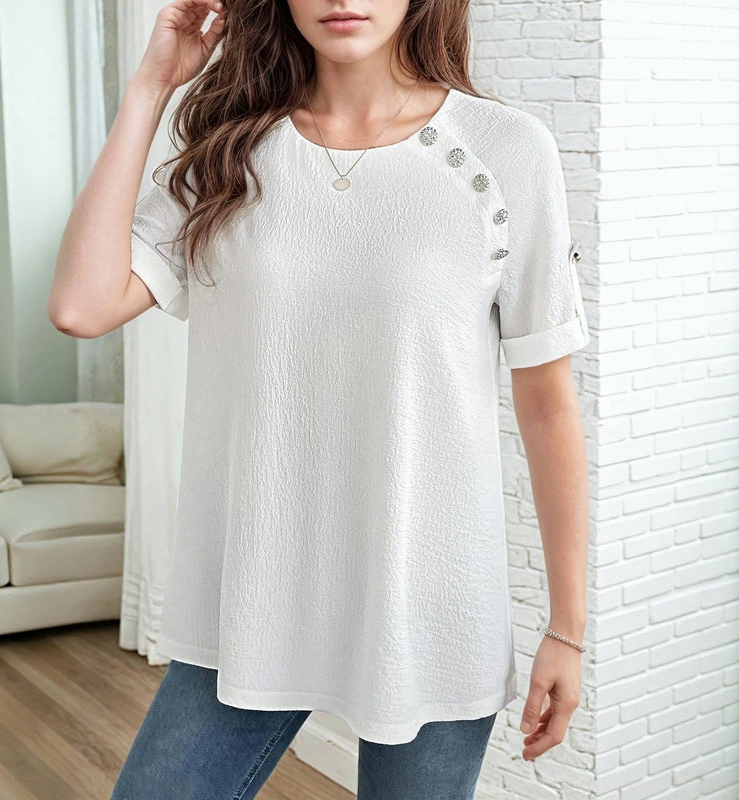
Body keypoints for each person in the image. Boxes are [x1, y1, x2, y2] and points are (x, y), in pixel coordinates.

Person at [48, 1, 591, 797]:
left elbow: (547, 404)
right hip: (252, 601)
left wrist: (567, 630)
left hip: (430, 609)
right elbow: (81, 304)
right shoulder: (231, 152)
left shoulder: (505, 151)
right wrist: (149, 89)